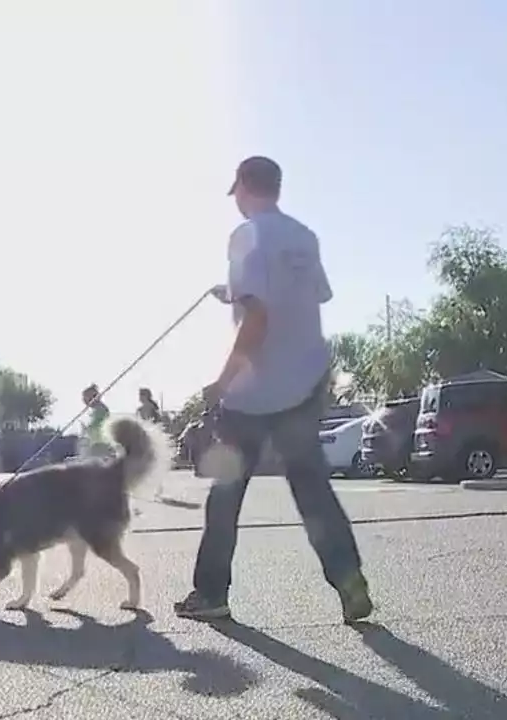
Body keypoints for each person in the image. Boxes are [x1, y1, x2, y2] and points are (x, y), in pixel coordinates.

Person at [173, 156, 373, 624]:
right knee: (313, 491)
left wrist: (221, 382)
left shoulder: (245, 236)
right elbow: (312, 294)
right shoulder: (304, 236)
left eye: (237, 191)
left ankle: (211, 593)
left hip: (255, 390)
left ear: (244, 186)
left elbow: (259, 316)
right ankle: (350, 584)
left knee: (226, 492)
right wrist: (233, 290)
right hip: (305, 381)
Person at [79, 384, 112, 458]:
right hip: (96, 443)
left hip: (100, 445)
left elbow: (96, 426)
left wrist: (86, 429)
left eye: (85, 398)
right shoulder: (95, 410)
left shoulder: (100, 409)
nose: (84, 400)